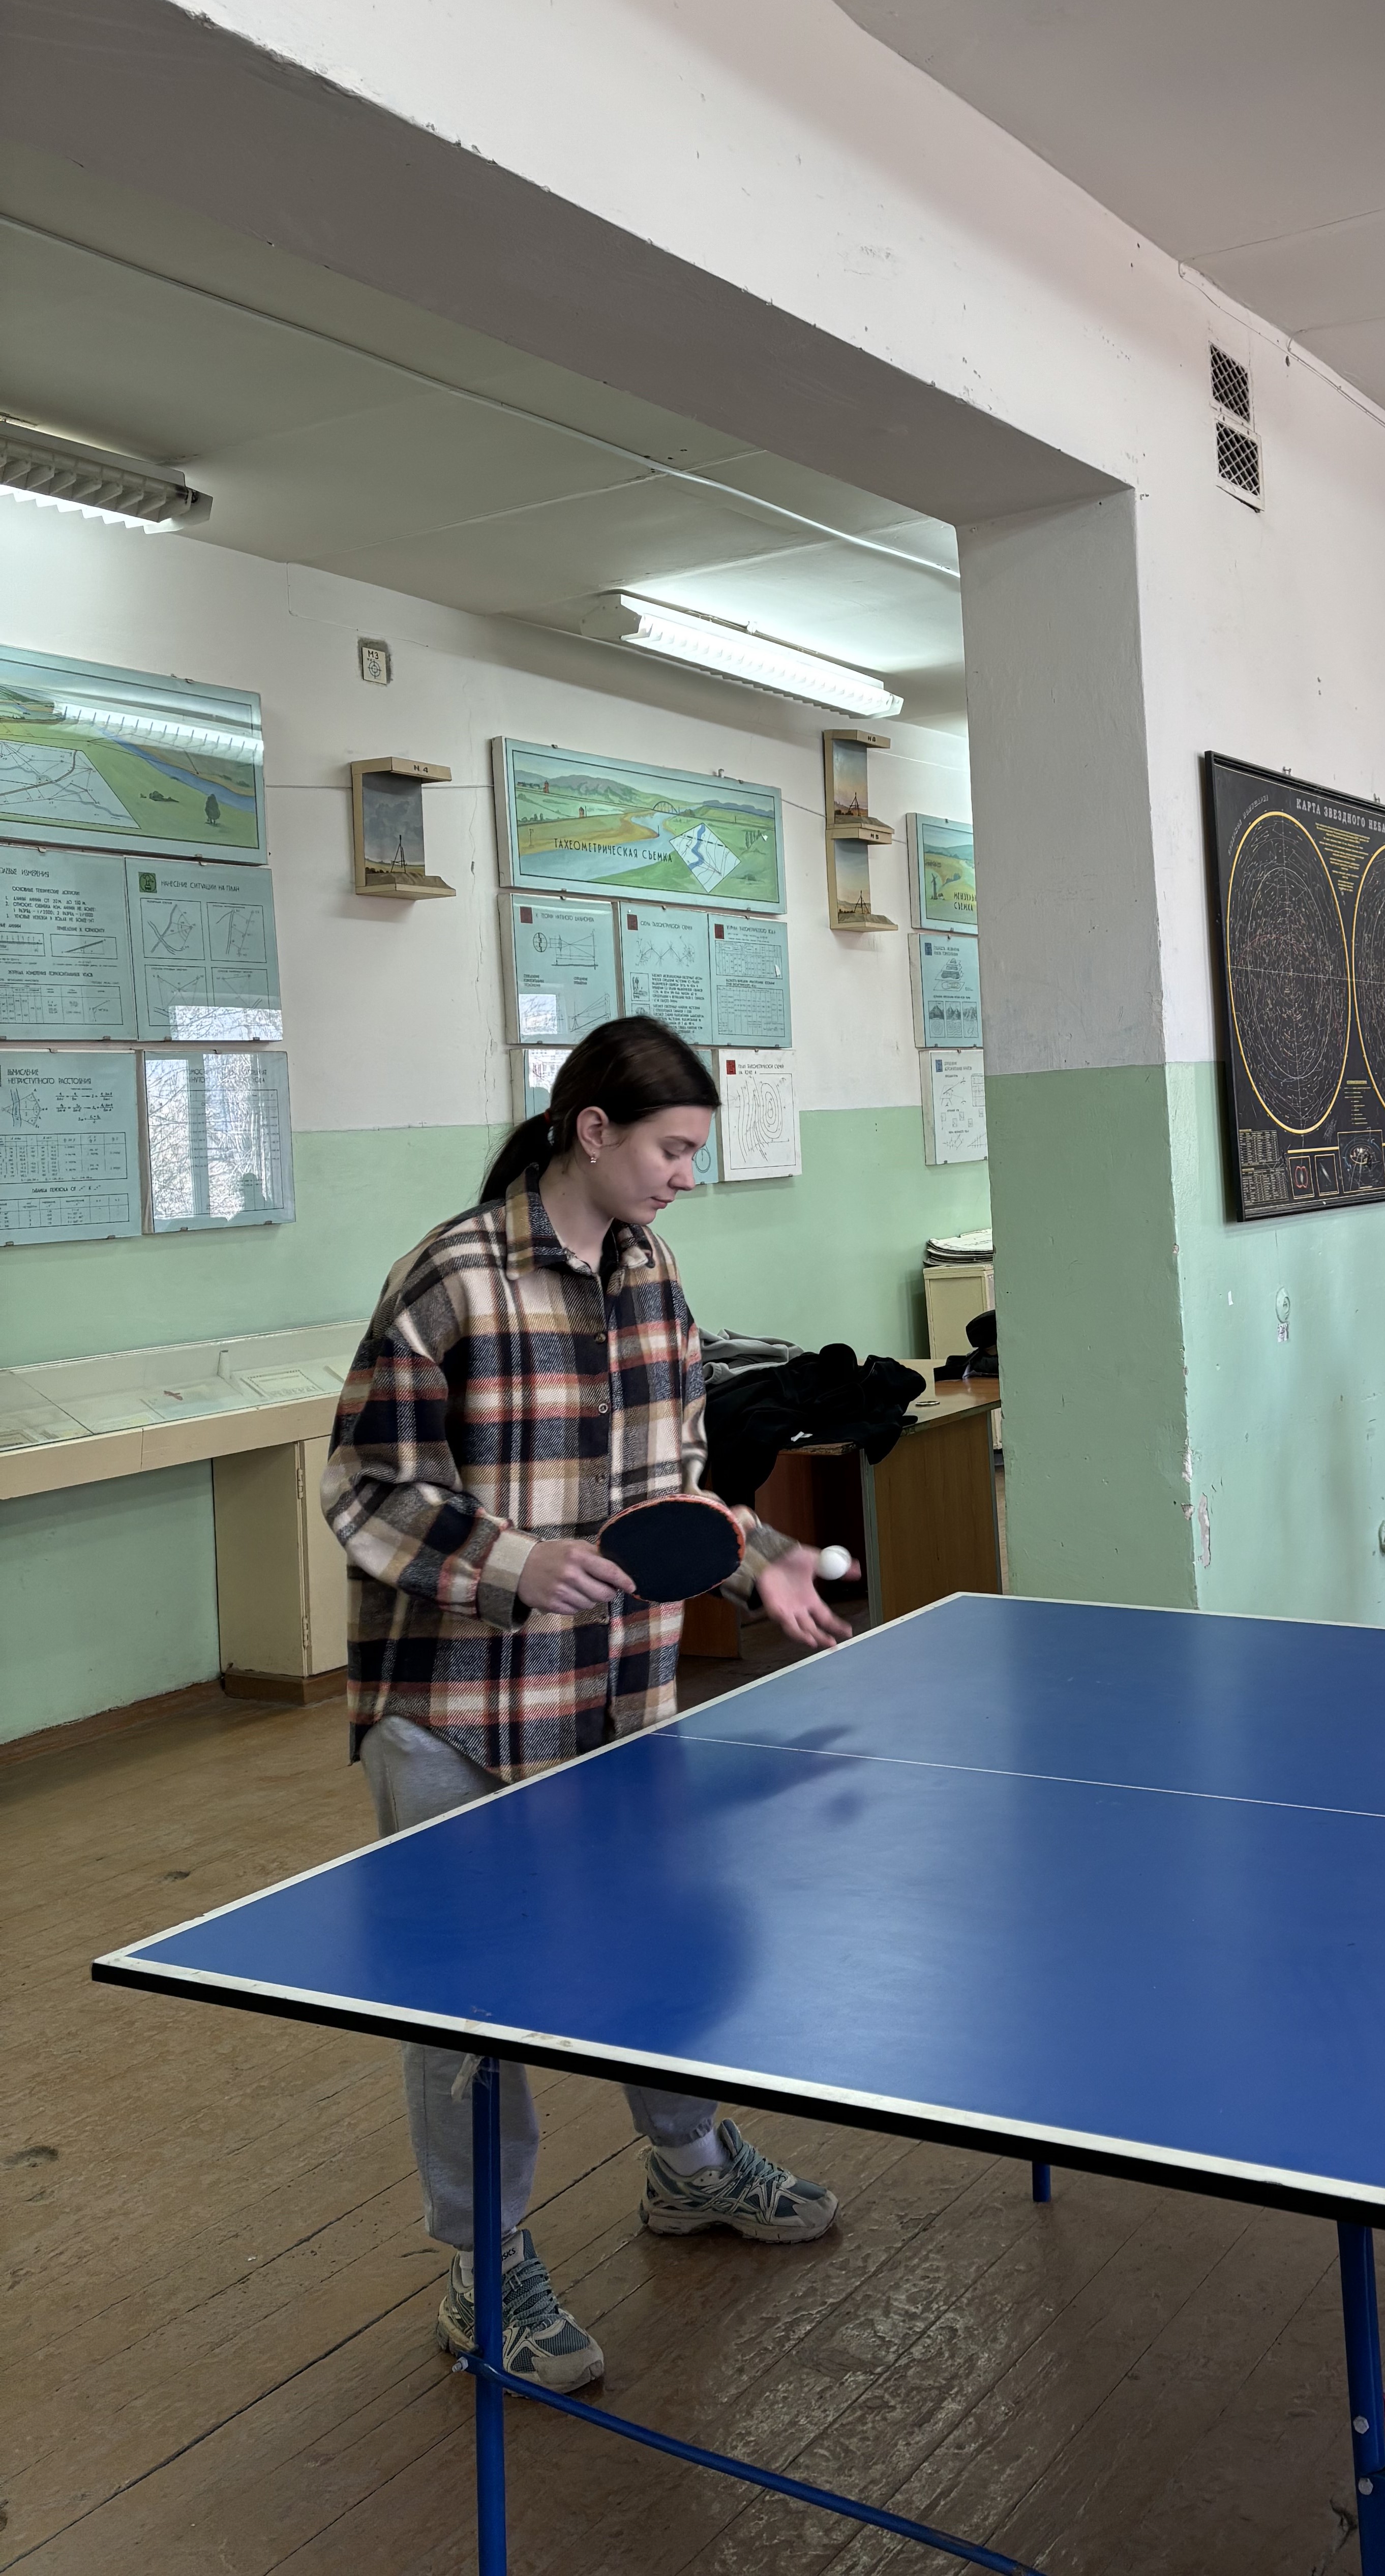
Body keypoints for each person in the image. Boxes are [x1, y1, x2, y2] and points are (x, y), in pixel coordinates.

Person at [323, 1017, 854, 2394]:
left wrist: (757, 1556)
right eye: (672, 1148)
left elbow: (669, 1489)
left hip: (613, 1697)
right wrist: (516, 1560)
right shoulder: (451, 1276)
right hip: (454, 1708)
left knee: (649, 1943)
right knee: (470, 2005)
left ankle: (690, 2166)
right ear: (593, 1129)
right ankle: (483, 2262)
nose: (687, 1174)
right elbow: (366, 1488)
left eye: (697, 1152)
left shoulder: (651, 1275)